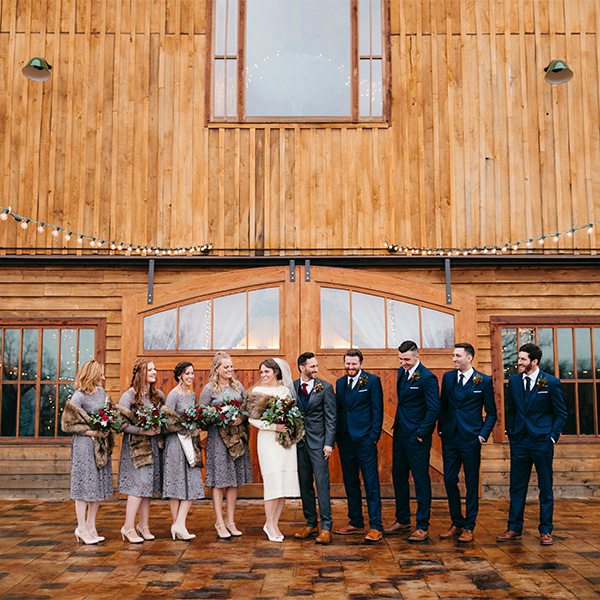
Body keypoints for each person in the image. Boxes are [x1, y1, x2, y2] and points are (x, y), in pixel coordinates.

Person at [497, 343, 567, 546]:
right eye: (518, 359)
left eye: (523, 359)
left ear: (534, 361)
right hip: (519, 441)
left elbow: (561, 414)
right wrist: (512, 432)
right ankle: (514, 528)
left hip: (542, 441)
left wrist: (552, 437)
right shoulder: (514, 382)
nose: (518, 362)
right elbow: (510, 410)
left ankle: (546, 530)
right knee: (517, 486)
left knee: (545, 486)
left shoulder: (551, 383)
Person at [438, 343, 497, 543]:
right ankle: (457, 522)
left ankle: (469, 526)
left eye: (457, 356)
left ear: (469, 358)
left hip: (471, 439)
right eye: (453, 356)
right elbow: (443, 406)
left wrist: (482, 435)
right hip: (450, 438)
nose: (454, 359)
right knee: (448, 479)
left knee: (471, 483)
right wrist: (441, 429)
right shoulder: (447, 378)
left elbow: (492, 413)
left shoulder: (483, 381)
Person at [386, 340, 440, 542]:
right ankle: (402, 519)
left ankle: (422, 525)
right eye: (400, 359)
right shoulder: (402, 373)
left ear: (417, 356)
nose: (403, 363)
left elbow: (434, 408)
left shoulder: (428, 378)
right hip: (400, 433)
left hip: (417, 437)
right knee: (398, 475)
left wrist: (421, 432)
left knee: (420, 479)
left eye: (407, 359)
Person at [247, 358, 301, 542]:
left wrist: (289, 425)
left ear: (276, 373)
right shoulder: (257, 391)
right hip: (268, 441)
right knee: (272, 482)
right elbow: (252, 419)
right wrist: (273, 427)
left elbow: (291, 414)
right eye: (261, 372)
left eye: (266, 372)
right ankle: (269, 523)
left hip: (285, 442)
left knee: (283, 484)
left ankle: (275, 523)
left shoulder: (285, 390)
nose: (263, 375)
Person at [199, 352, 252, 539]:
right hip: (218, 439)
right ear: (217, 369)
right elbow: (201, 414)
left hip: (236, 439)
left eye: (231, 366)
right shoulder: (209, 389)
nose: (230, 370)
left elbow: (247, 409)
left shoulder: (238, 386)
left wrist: (241, 418)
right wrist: (219, 416)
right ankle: (219, 522)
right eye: (226, 367)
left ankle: (231, 521)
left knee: (233, 480)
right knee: (220, 480)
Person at [333, 349, 384, 542]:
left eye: (354, 364)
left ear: (360, 363)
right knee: (351, 482)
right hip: (345, 440)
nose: (350, 367)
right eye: (348, 363)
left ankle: (376, 526)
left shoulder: (372, 381)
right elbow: (339, 411)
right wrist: (338, 436)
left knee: (371, 483)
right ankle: (355, 521)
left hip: (365, 440)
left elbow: (377, 410)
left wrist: (373, 437)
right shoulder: (340, 383)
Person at [61, 360, 113, 544]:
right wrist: (89, 431)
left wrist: (107, 426)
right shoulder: (78, 396)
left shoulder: (102, 393)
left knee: (96, 485)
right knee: (84, 485)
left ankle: (91, 526)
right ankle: (81, 527)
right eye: (101, 374)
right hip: (84, 445)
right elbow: (67, 424)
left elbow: (107, 415)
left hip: (99, 446)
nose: (104, 377)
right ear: (92, 375)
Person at [117, 358, 165, 543]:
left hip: (152, 446)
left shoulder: (157, 395)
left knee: (147, 487)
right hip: (136, 449)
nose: (154, 372)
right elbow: (120, 424)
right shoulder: (129, 396)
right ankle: (128, 526)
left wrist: (161, 426)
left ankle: (143, 526)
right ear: (140, 373)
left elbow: (166, 416)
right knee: (138, 486)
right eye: (150, 369)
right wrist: (141, 430)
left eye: (155, 369)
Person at [292, 352, 336, 544]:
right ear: (302, 368)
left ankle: (326, 527)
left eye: (317, 366)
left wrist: (328, 443)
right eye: (312, 367)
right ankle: (311, 523)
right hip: (299, 443)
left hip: (319, 444)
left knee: (322, 484)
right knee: (304, 484)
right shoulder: (292, 387)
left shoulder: (325, 388)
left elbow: (331, 418)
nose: (316, 369)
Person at [162, 362, 204, 540]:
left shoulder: (192, 394)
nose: (190, 376)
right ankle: (178, 526)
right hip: (175, 443)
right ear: (180, 375)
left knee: (192, 482)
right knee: (176, 484)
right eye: (187, 373)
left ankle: (179, 524)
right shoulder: (173, 395)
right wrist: (182, 426)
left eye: (192, 373)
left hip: (190, 441)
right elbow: (167, 420)